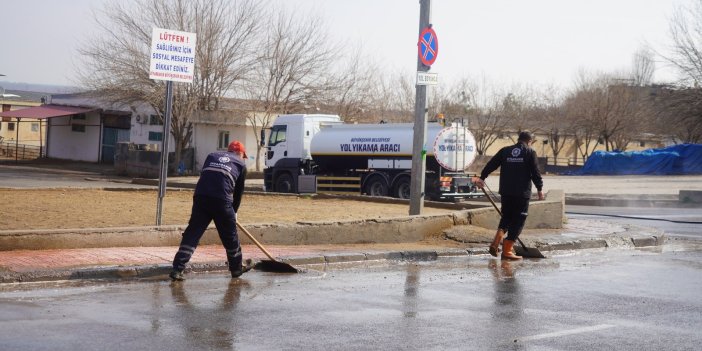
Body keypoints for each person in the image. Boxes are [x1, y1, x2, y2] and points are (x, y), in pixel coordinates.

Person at [170, 140, 252, 280]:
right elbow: (238, 194)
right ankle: (236, 269)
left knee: (193, 233)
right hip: (222, 200)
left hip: (201, 197)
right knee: (230, 237)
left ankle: (177, 269)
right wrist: (234, 212)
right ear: (240, 154)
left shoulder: (212, 156)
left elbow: (209, 178)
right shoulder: (241, 164)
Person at [472, 131, 544, 260]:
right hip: (521, 193)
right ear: (529, 141)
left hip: (506, 191)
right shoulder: (530, 152)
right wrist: (539, 189)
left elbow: (491, 164)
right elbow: (535, 172)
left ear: (518, 139)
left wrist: (482, 177)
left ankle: (496, 242)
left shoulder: (505, 151)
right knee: (518, 220)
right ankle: (507, 250)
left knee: (506, 218)